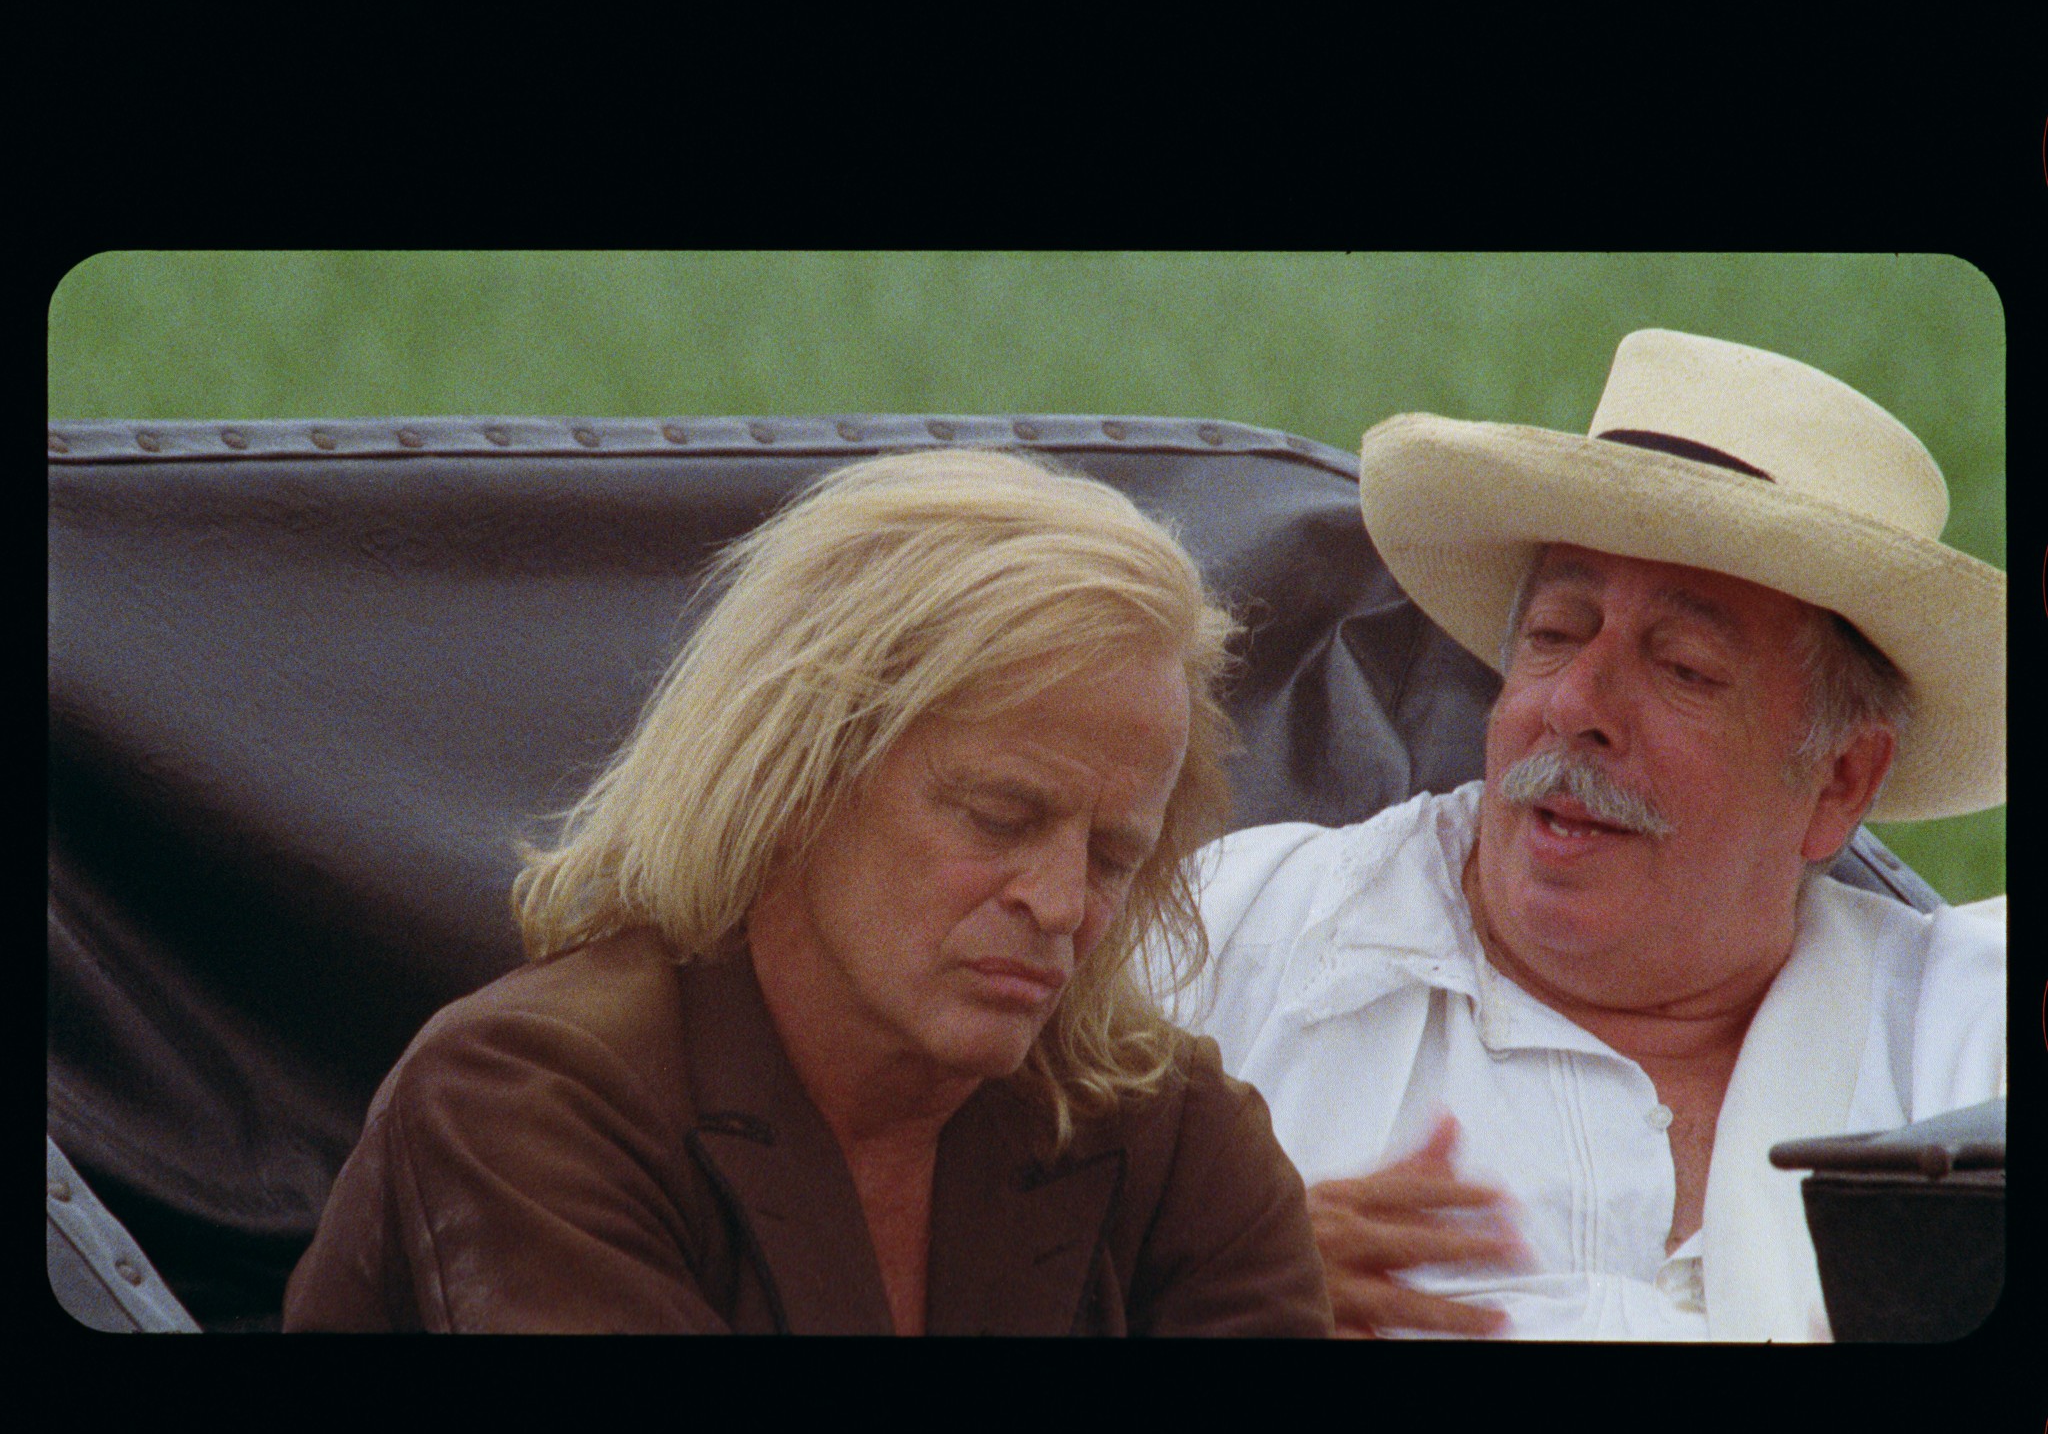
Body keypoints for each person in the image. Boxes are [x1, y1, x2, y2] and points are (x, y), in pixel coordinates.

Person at [284, 449, 1332, 1335]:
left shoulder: (1174, 1135)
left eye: (1112, 856)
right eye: (998, 818)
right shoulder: (531, 1097)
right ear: (797, 776)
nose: (1060, 905)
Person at [1174, 329, 2005, 1342]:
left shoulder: (1972, 1042)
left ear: (1839, 780)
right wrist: (1186, 1283)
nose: (1573, 705)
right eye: (1554, 634)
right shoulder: (1223, 940)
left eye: (1683, 668)